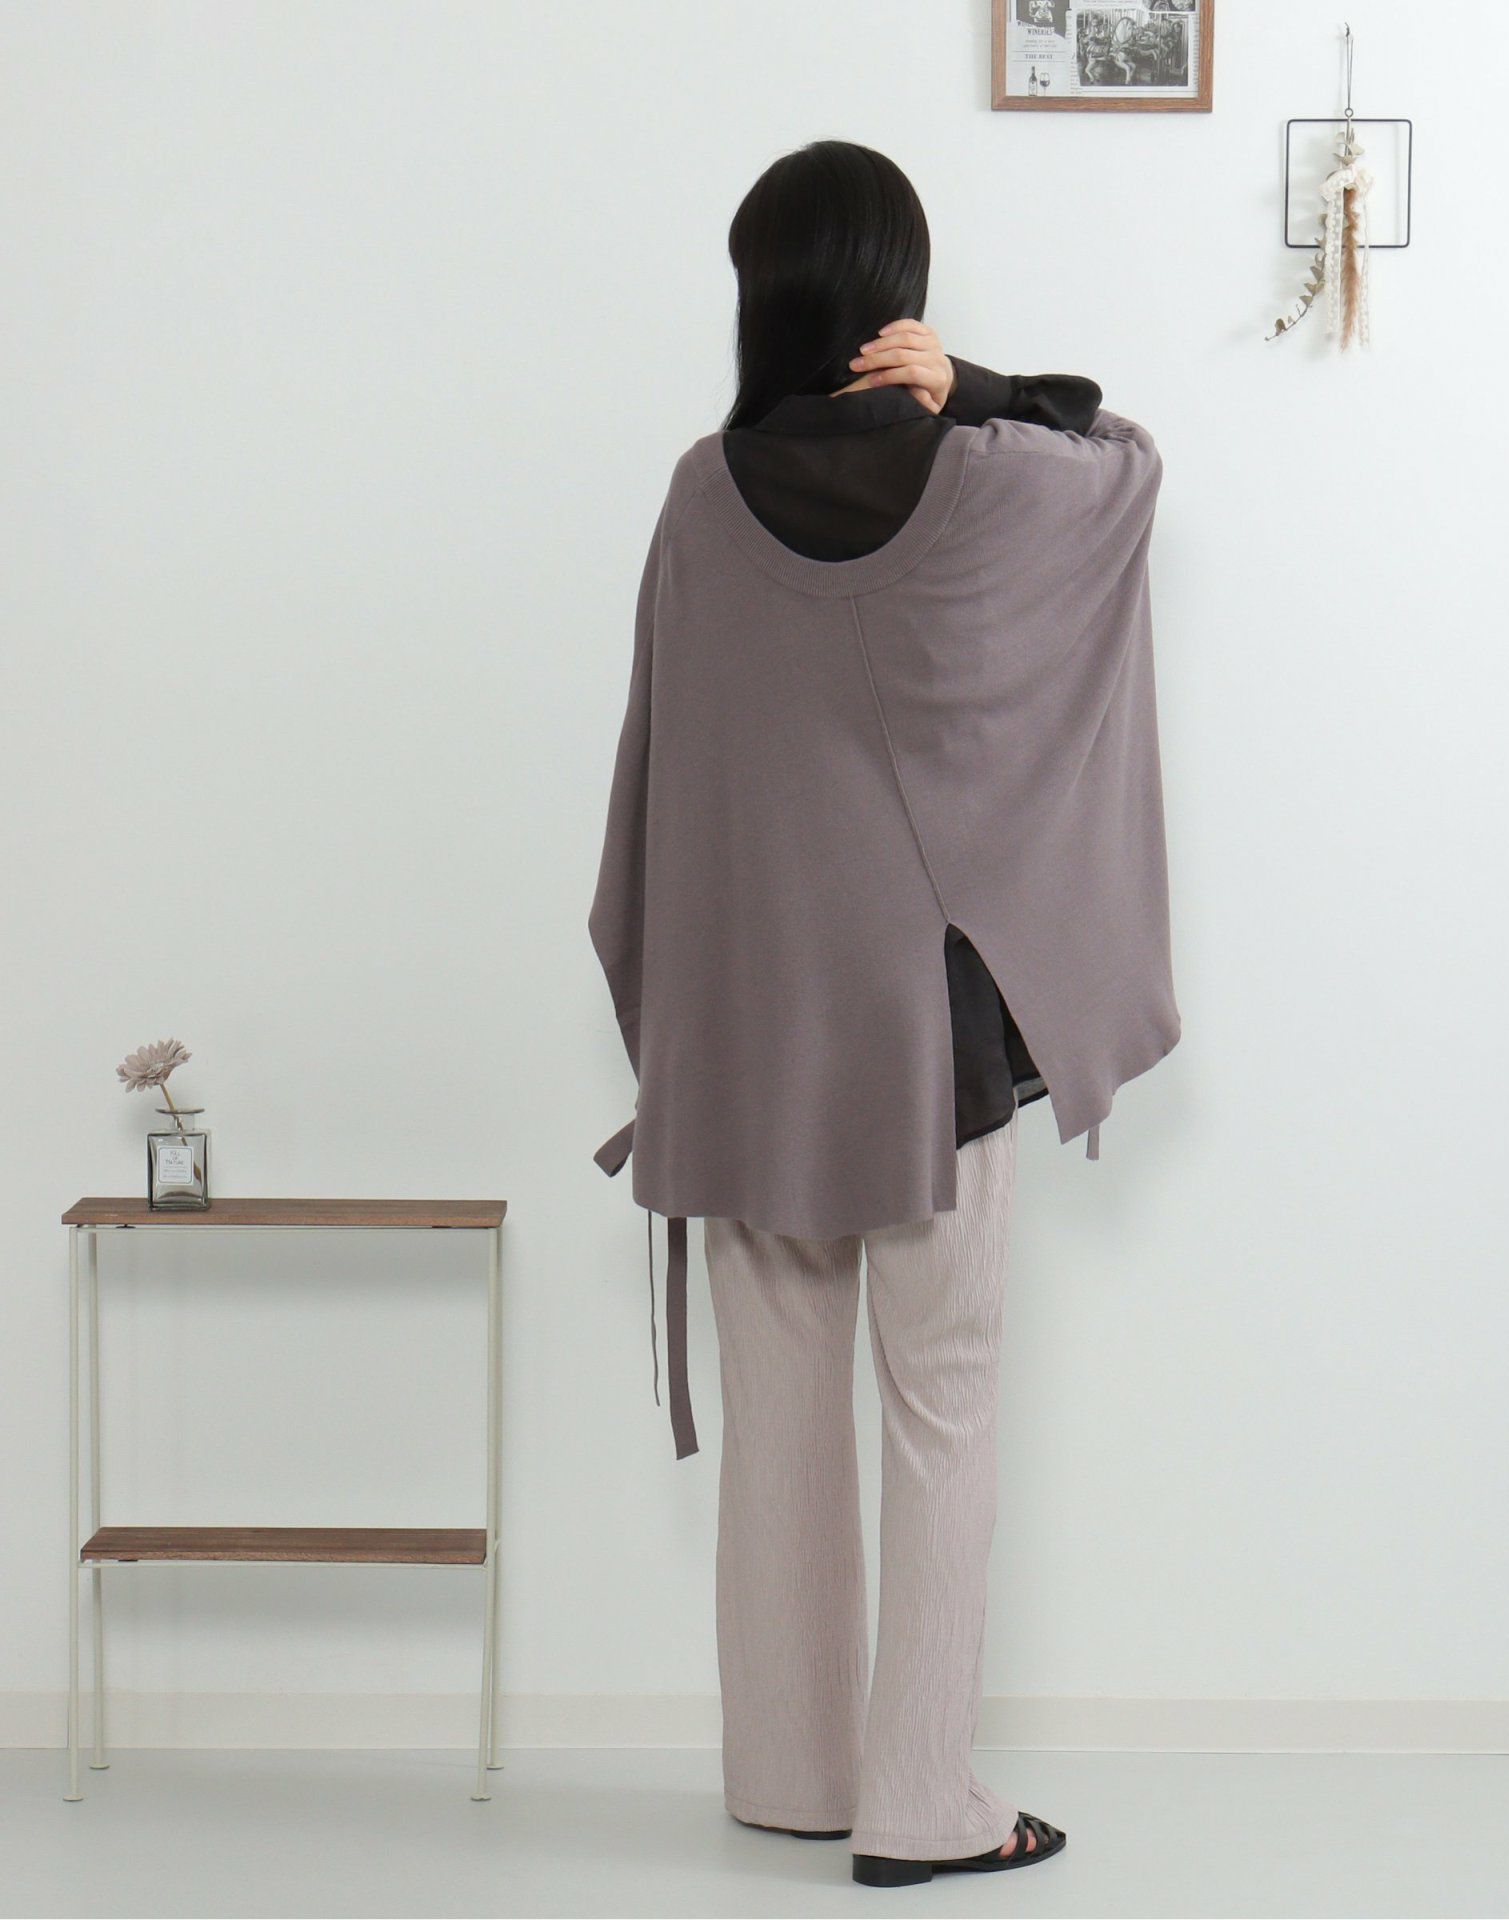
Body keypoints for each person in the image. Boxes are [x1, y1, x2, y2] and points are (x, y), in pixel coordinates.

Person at [589, 139, 1179, 1889]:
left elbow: (668, 782)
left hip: (754, 1045)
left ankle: (791, 1777)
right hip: (934, 1051)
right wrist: (973, 384)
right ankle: (921, 1803)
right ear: (894, 295)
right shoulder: (991, 476)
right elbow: (1133, 463)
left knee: (782, 1417)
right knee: (944, 1405)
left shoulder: (701, 495)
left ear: (759, 294)